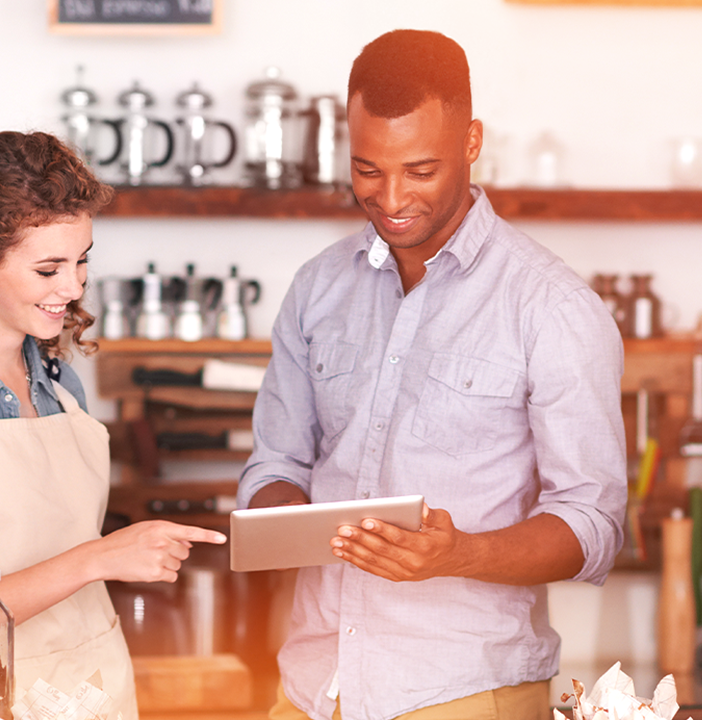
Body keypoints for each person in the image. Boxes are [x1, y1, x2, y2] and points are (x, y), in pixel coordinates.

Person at [237, 30, 627, 720]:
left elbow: (592, 525)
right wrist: (282, 518)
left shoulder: (554, 308)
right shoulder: (317, 289)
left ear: (472, 141)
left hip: (462, 692)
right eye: (366, 170)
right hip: (309, 688)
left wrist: (459, 554)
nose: (390, 198)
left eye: (420, 171)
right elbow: (277, 463)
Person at [0, 130, 224, 718]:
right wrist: (97, 559)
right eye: (48, 269)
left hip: (97, 686)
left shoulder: (59, 383)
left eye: (81, 262)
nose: (73, 288)